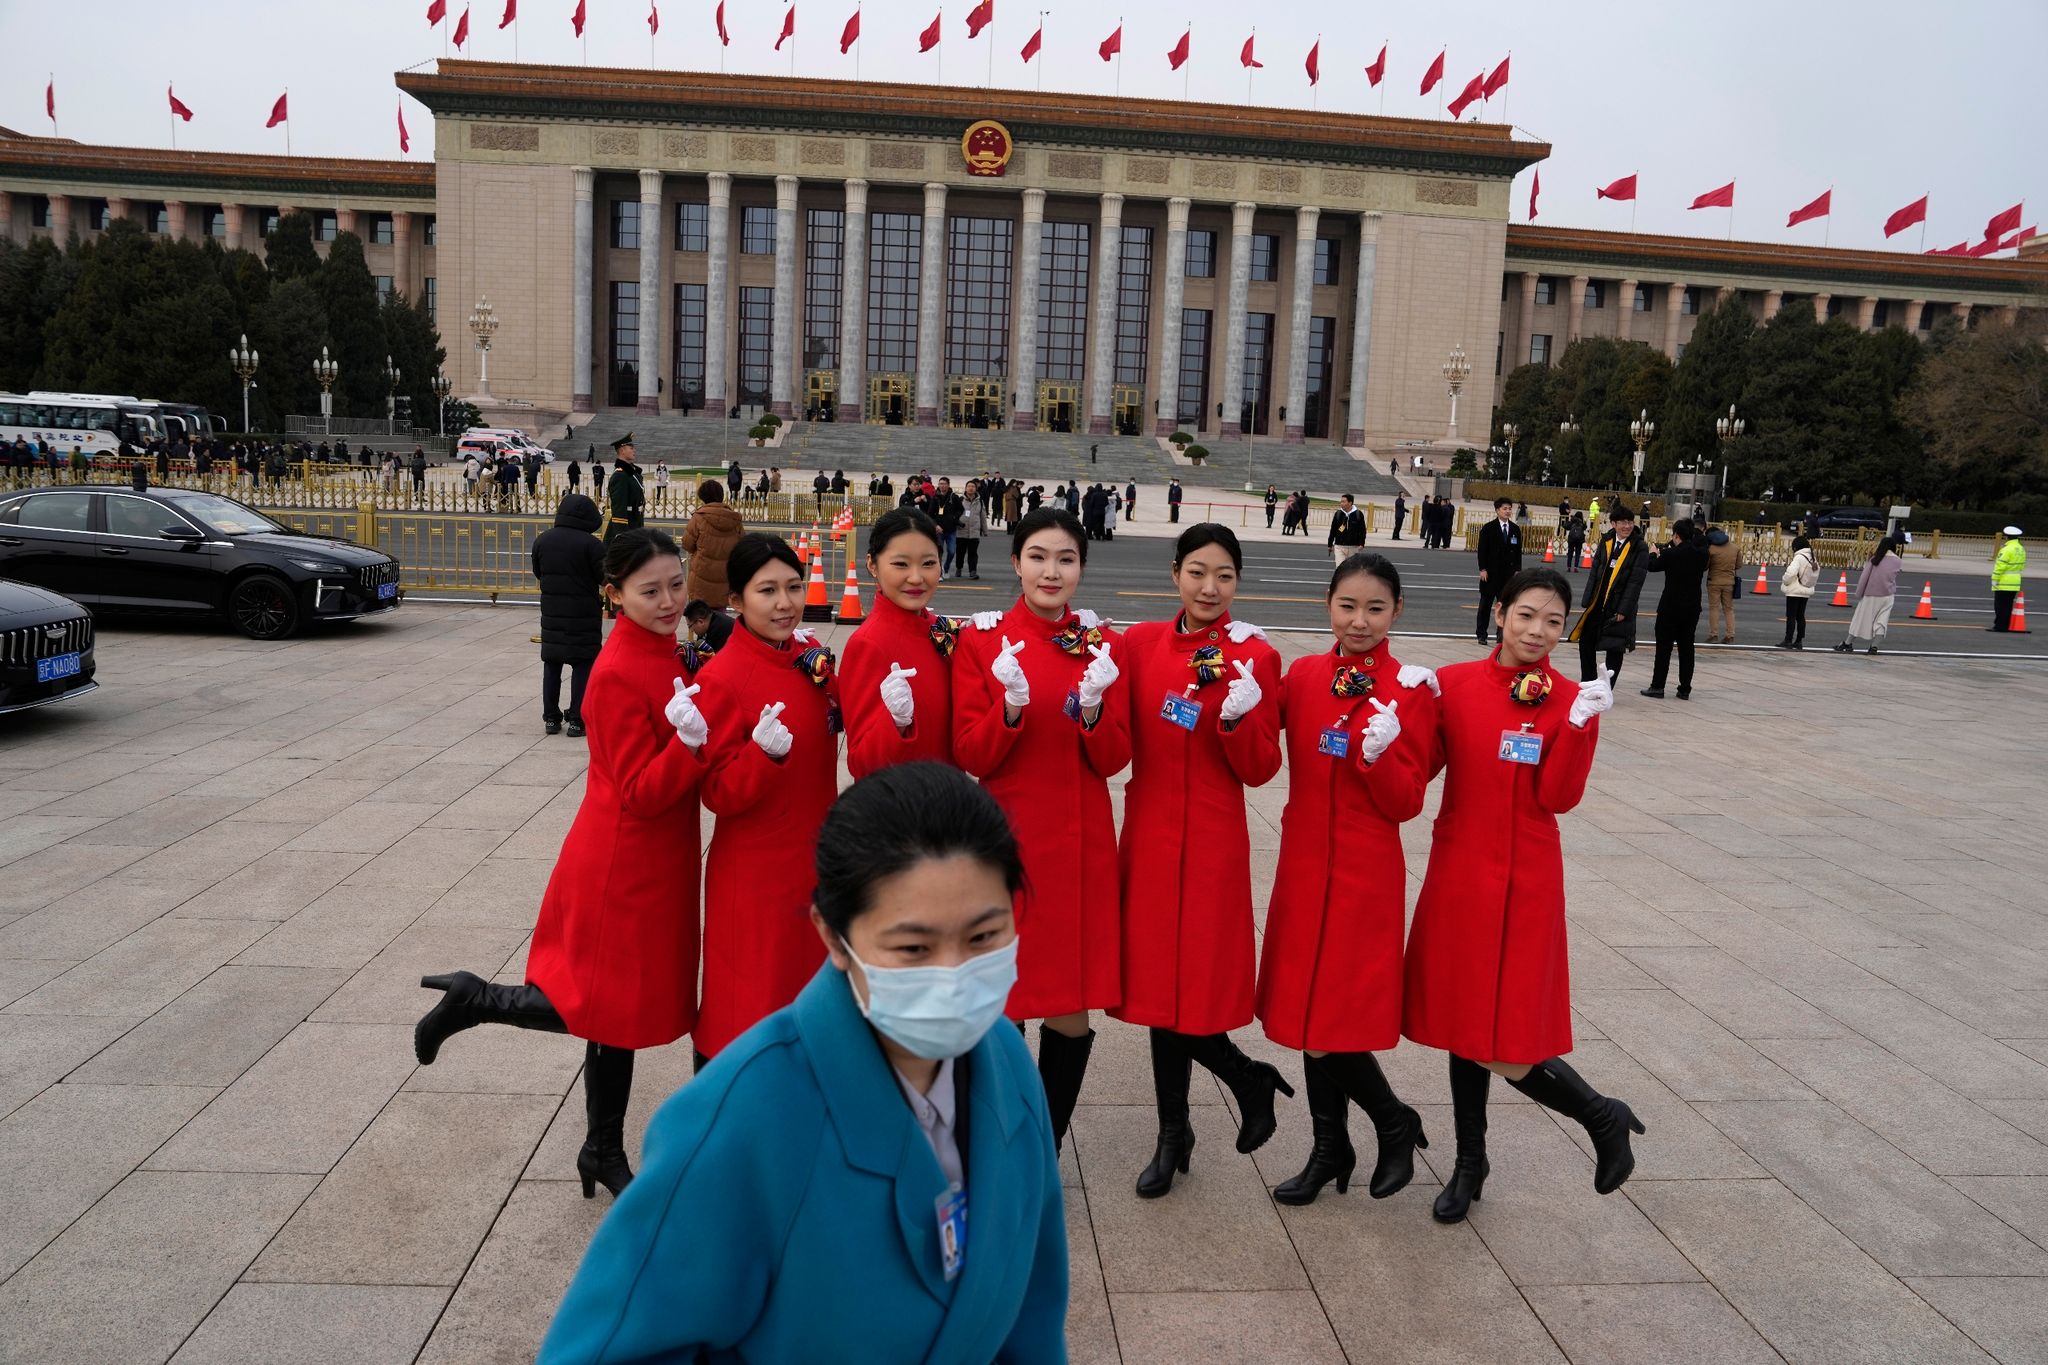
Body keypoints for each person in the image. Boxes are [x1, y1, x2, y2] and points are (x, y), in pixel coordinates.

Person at [537, 763, 1067, 1365]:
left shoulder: (1009, 1069)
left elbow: (1035, 1315)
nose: (952, 976)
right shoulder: (737, 1123)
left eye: (983, 938)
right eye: (913, 948)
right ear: (833, 936)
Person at [415, 529, 710, 1200]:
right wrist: (696, 743)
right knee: (604, 1004)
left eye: (675, 584)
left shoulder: (663, 652)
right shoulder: (613, 672)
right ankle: (478, 999)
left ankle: (599, 1147)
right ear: (613, 595)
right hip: (622, 864)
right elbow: (639, 787)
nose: (668, 600)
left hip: (656, 860)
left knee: (622, 1013)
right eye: (650, 590)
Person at [1403, 567, 1641, 1224]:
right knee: (1461, 1022)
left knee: (1502, 1034)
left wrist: (1581, 727)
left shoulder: (1569, 697)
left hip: (1526, 878)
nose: (1538, 631)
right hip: (1459, 870)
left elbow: (1557, 796)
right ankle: (1470, 1162)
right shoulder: (1452, 685)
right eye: (1527, 614)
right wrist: (1403, 718)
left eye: (1554, 621)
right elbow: (1418, 774)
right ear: (1501, 612)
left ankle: (1599, 1113)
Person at [1115, 525, 1290, 1197]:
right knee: (1159, 985)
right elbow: (1113, 740)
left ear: (1237, 582)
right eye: (1196, 572)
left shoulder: (1256, 657)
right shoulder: (1139, 645)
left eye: (1222, 575)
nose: (1208, 587)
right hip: (1153, 831)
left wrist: (1237, 717)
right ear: (1174, 574)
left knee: (1194, 987)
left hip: (1214, 836)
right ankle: (1185, 1121)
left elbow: (1261, 765)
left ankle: (1221, 1096)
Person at [952, 507, 1130, 1154]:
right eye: (1038, 556)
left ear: (1081, 566)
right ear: (1015, 562)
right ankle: (995, 1139)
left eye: (1065, 559)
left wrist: (1092, 709)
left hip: (1079, 843)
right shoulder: (982, 640)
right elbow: (973, 753)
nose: (1051, 571)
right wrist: (1011, 707)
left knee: (1067, 998)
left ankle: (1044, 1145)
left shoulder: (1103, 643)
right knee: (1002, 999)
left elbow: (1114, 757)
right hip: (1006, 842)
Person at [1259, 553, 1435, 1205]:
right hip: (1304, 865)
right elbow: (1253, 743)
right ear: (1327, 605)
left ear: (1396, 612)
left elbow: (1406, 800)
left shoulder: (1410, 689)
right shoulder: (1304, 676)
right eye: (1347, 605)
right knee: (1308, 1010)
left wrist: (1379, 755)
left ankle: (1389, 1121)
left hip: (1364, 871)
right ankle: (1333, 1146)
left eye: (1376, 608)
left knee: (1334, 1013)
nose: (1359, 620)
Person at [688, 534, 843, 1062]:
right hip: (755, 875)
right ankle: (720, 1128)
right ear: (736, 601)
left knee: (806, 1011)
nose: (785, 603)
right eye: (767, 591)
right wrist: (761, 756)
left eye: (794, 587)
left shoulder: (809, 662)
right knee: (744, 1012)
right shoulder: (722, 679)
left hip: (815, 862)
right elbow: (716, 793)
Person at [840, 508, 959, 779]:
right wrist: (894, 723)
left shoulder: (943, 631)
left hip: (953, 808)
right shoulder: (868, 645)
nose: (916, 578)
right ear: (872, 565)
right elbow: (861, 763)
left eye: (928, 563)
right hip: (903, 811)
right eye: (901, 564)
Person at [532, 492, 606, 736]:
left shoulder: (542, 541)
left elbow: (538, 572)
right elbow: (604, 577)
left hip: (552, 613)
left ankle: (551, 719)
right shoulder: (592, 545)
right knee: (582, 666)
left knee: (552, 665)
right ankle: (577, 719)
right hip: (583, 614)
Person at [1569, 505, 1647, 683]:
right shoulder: (1607, 541)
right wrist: (1588, 600)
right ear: (1613, 524)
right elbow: (1595, 573)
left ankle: (1606, 687)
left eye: (1630, 522)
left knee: (1615, 647)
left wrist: (1624, 610)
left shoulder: (1639, 547)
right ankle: (1589, 681)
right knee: (1586, 642)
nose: (1627, 526)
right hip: (1599, 601)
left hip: (1619, 605)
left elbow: (1635, 582)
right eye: (1623, 522)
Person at [1640, 518, 1708, 699]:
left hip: (1670, 607)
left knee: (1664, 648)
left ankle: (1657, 686)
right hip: (1692, 608)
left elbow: (1652, 566)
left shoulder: (1671, 555)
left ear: (1676, 535)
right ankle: (1684, 688)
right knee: (1687, 648)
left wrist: (1653, 553)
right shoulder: (1701, 555)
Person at [681, 479, 745, 609]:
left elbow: (687, 544)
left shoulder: (698, 518)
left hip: (701, 574)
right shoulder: (734, 519)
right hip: (725, 575)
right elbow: (742, 545)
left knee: (700, 616)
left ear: (703, 497)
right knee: (720, 617)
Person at [1836, 536, 1903, 654]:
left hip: (1871, 595)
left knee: (1860, 619)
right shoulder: (1897, 560)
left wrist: (1859, 593)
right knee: (1882, 621)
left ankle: (1847, 643)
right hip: (1888, 596)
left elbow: (1864, 578)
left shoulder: (1875, 559)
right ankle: (1874, 647)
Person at [1475, 496, 1524, 645]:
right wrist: (1482, 569)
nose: (1508, 511)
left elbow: (1517, 553)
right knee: (1485, 605)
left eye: (1509, 508)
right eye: (1505, 508)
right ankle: (1481, 634)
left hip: (1508, 576)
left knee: (1504, 607)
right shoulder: (1488, 528)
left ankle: (1501, 635)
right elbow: (1482, 551)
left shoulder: (1515, 529)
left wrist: (1517, 570)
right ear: (1497, 510)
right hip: (1490, 574)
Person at [1778, 534, 1819, 649]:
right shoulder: (1813, 557)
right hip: (1806, 590)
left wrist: (1785, 581)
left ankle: (1788, 640)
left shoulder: (1799, 557)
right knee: (1800, 616)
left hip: (1794, 590)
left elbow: (1791, 572)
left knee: (1791, 616)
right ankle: (1799, 640)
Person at [602, 434, 643, 542]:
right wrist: (622, 536)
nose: (634, 450)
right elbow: (619, 509)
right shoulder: (620, 476)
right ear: (622, 450)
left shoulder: (631, 473)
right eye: (631, 448)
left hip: (635, 525)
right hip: (626, 530)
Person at [1704, 524, 1739, 641]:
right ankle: (1730, 634)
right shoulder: (1735, 548)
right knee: (1728, 608)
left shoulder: (1711, 549)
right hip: (1729, 582)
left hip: (1714, 581)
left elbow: (1705, 566)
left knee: (1714, 608)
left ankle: (1714, 634)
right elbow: (1739, 565)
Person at [1992, 526, 2027, 632]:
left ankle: (2000, 626)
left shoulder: (2007, 549)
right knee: (2008, 605)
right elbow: (2022, 566)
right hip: (2015, 581)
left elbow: (2000, 566)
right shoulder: (2021, 549)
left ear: (2007, 537)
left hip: (2004, 581)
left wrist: (1995, 579)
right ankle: (2005, 625)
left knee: (2000, 605)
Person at [931, 477, 964, 576]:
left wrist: (954, 517)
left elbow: (960, 509)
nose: (942, 486)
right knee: (939, 552)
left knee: (951, 551)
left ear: (948, 485)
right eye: (940, 484)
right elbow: (930, 514)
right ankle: (940, 572)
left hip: (951, 530)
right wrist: (935, 525)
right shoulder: (935, 498)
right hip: (939, 530)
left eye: (944, 484)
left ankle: (946, 566)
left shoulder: (953, 497)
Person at [957, 478, 987, 576]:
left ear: (976, 489)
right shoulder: (960, 500)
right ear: (965, 488)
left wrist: (985, 530)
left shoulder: (980, 501)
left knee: (973, 553)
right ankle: (959, 568)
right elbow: (954, 514)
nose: (971, 488)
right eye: (969, 486)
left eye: (973, 486)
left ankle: (972, 571)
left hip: (974, 532)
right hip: (961, 531)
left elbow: (983, 516)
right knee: (960, 553)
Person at [1327, 493, 1366, 566]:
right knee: (1340, 568)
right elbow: (1333, 530)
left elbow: (1362, 530)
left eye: (1343, 501)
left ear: (1350, 503)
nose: (1341, 503)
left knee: (1351, 570)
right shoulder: (1338, 514)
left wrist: (1362, 543)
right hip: (1339, 546)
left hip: (1354, 547)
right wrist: (1330, 544)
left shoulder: (1358, 514)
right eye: (1341, 501)